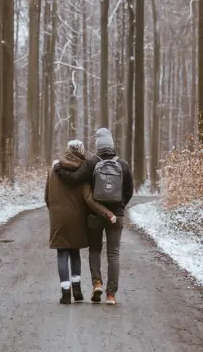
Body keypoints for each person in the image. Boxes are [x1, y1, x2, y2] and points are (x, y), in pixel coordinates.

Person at [54, 128, 133, 305]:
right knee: (113, 254)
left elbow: (73, 179)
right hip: (117, 216)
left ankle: (97, 283)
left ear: (98, 146)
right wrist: (119, 208)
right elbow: (129, 191)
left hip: (94, 216)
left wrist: (58, 169)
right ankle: (111, 295)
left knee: (95, 250)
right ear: (112, 145)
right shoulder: (123, 165)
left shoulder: (91, 163)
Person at [44, 139, 115, 304]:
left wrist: (55, 211)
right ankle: (77, 290)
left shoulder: (54, 168)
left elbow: (47, 196)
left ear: (68, 149)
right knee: (74, 251)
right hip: (77, 217)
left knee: (62, 252)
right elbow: (88, 199)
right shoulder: (84, 170)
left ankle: (65, 292)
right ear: (81, 151)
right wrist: (105, 212)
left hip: (58, 217)